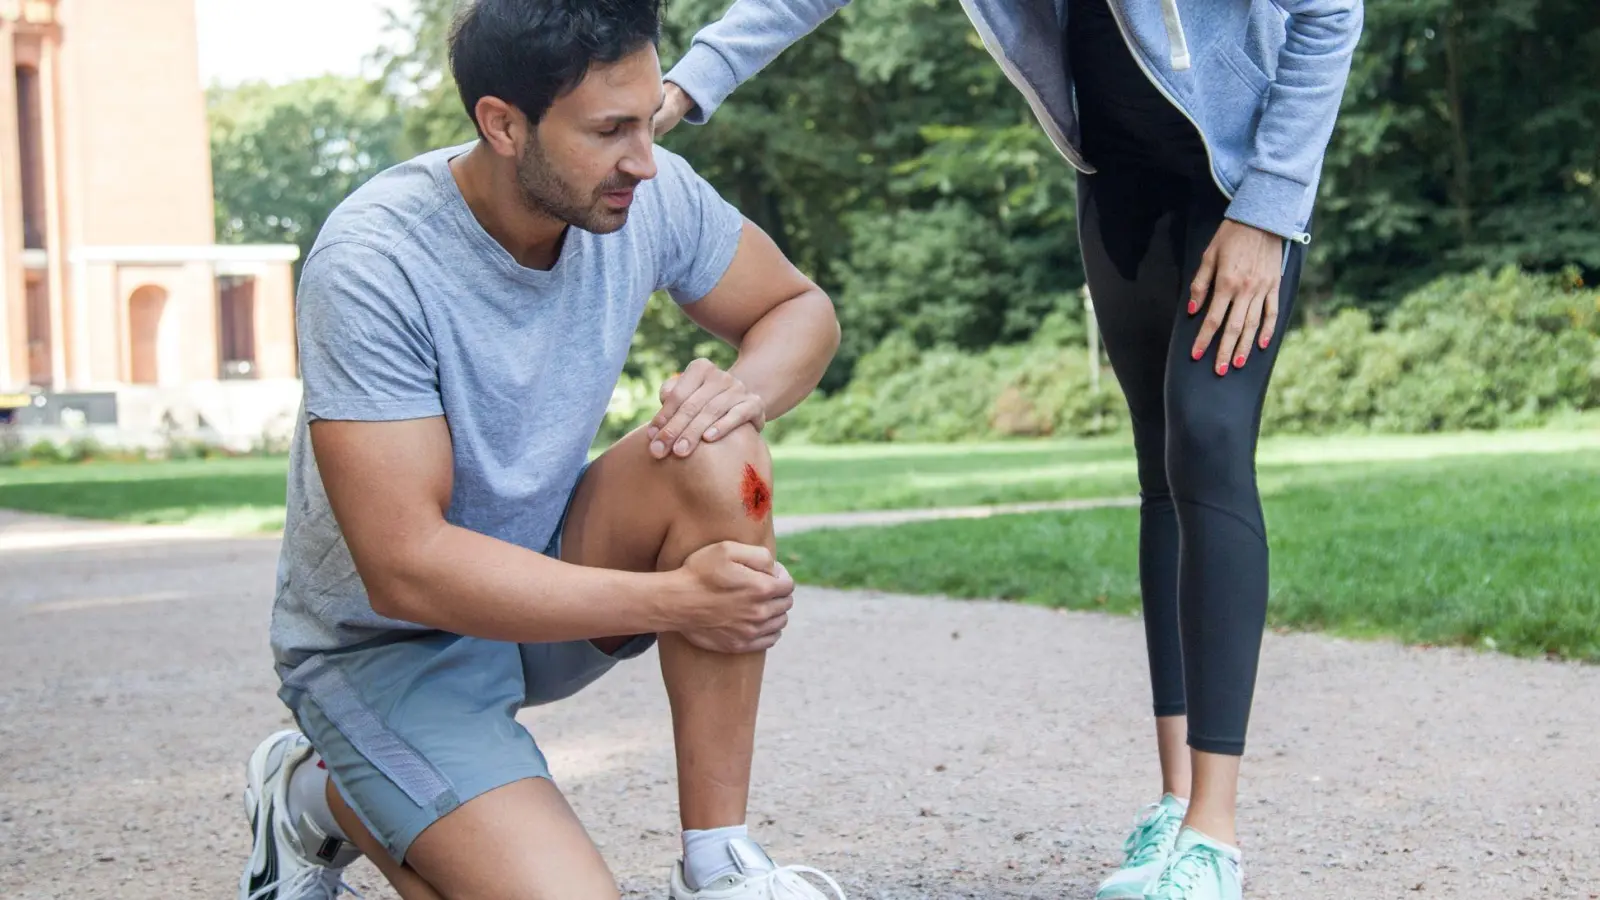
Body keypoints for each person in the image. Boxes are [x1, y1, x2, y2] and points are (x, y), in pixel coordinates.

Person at [652, 1, 1362, 898]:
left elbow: (1330, 9)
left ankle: (1213, 839)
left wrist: (1271, 206)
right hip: (1120, 178)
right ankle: (1177, 807)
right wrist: (688, 80)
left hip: (1242, 180)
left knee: (1212, 442)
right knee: (1165, 469)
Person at [234, 1, 848, 898]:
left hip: (547, 585)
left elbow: (800, 310)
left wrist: (740, 390)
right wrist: (678, 601)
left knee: (721, 447)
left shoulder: (645, 191)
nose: (643, 158)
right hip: (387, 647)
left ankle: (718, 865)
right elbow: (406, 566)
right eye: (609, 130)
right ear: (503, 124)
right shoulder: (374, 260)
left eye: (647, 120)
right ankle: (313, 793)